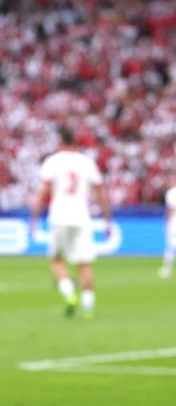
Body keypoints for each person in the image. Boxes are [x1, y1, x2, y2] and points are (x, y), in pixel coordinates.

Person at [30, 127, 111, 319]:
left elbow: (43, 192)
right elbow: (101, 194)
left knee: (57, 260)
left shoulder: (53, 161)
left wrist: (34, 217)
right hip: (82, 217)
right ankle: (88, 307)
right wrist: (108, 220)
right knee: (84, 264)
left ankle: (69, 294)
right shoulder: (87, 162)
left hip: (59, 216)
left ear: (60, 143)